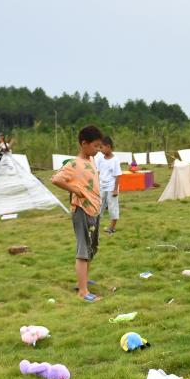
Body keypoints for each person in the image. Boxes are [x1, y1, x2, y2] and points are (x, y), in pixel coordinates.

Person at [51, 125, 105, 302]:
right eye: (95, 146)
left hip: (94, 209)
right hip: (82, 210)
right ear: (84, 144)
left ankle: (83, 281)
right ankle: (83, 291)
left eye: (99, 146)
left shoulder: (91, 160)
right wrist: (75, 190)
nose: (98, 150)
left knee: (91, 248)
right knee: (83, 249)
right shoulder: (74, 164)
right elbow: (56, 179)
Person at [98, 136, 122, 234]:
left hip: (112, 188)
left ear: (108, 147)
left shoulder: (115, 160)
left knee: (112, 207)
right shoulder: (100, 159)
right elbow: (98, 172)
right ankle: (95, 226)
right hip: (101, 187)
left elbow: (118, 175)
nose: (100, 149)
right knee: (98, 207)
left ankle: (112, 228)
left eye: (101, 147)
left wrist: (115, 189)